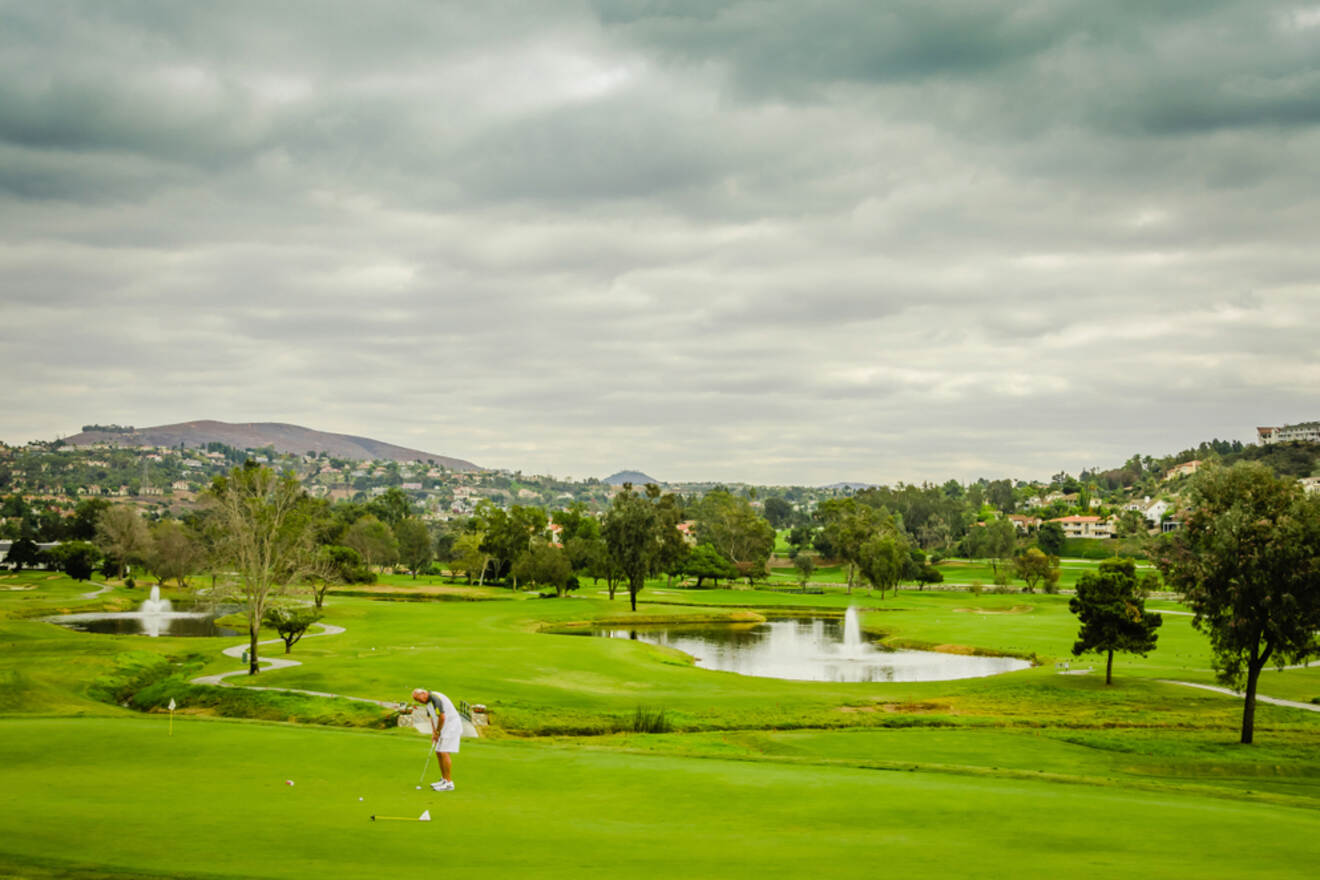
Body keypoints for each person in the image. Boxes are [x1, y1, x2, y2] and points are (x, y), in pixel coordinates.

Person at [412, 688, 461, 792]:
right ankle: (444, 779)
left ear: (424, 693)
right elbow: (432, 718)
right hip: (444, 726)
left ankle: (449, 783)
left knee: (443, 752)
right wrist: (434, 732)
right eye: (416, 700)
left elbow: (442, 717)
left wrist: (438, 732)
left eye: (418, 698)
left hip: (451, 726)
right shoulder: (428, 703)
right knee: (438, 752)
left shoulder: (435, 698)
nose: (418, 701)